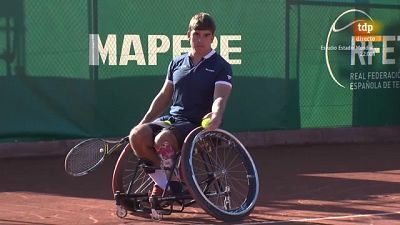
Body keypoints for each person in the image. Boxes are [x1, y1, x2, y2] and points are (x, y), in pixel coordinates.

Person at [128, 12, 233, 197]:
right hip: (174, 120)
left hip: (198, 125)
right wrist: (143, 121)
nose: (201, 40)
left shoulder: (221, 66)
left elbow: (220, 98)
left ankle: (169, 184)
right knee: (136, 135)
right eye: (196, 34)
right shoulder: (176, 63)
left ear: (212, 38)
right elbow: (164, 95)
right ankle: (169, 181)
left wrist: (216, 115)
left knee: (163, 140)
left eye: (206, 35)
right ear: (188, 35)